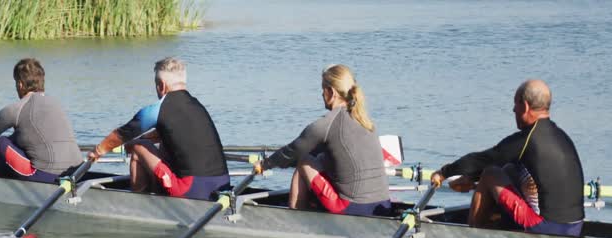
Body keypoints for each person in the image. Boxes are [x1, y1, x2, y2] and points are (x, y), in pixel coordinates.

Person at [430, 79, 584, 236]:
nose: (513, 110)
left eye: (515, 104)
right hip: (574, 228)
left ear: (524, 106)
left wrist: (443, 173)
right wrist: (471, 178)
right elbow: (498, 161)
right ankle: (498, 223)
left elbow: (482, 160)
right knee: (509, 169)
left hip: (546, 228)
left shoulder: (527, 139)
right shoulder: (561, 136)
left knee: (490, 173)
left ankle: (474, 235)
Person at [253, 64, 391, 216]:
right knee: (320, 156)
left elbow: (291, 152)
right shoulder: (366, 121)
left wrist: (265, 164)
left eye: (322, 89)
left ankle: (295, 218)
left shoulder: (326, 124)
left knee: (303, 160)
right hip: (383, 204)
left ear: (331, 92)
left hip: (352, 207)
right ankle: (310, 206)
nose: (321, 94)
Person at [88, 57, 229, 201]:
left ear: (161, 85)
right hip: (222, 184)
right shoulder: (197, 106)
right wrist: (135, 142)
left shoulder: (157, 110)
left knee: (138, 147)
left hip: (190, 188)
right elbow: (162, 134)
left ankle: (137, 203)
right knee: (161, 142)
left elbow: (122, 134)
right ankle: (157, 193)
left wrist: (98, 151)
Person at [0, 58, 83, 183]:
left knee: (1, 143)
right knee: (17, 138)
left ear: (20, 84)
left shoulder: (17, 109)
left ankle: (2, 186)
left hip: (48, 175)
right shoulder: (56, 103)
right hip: (78, 171)